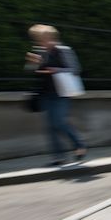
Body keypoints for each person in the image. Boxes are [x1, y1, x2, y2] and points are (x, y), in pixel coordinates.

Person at [26, 25, 86, 166]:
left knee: (59, 122)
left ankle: (79, 144)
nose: (42, 43)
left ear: (52, 37)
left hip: (61, 92)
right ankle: (58, 157)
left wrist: (56, 70)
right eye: (39, 40)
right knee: (50, 126)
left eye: (44, 39)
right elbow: (31, 71)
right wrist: (31, 64)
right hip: (46, 93)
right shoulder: (40, 52)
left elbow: (76, 69)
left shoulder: (64, 51)